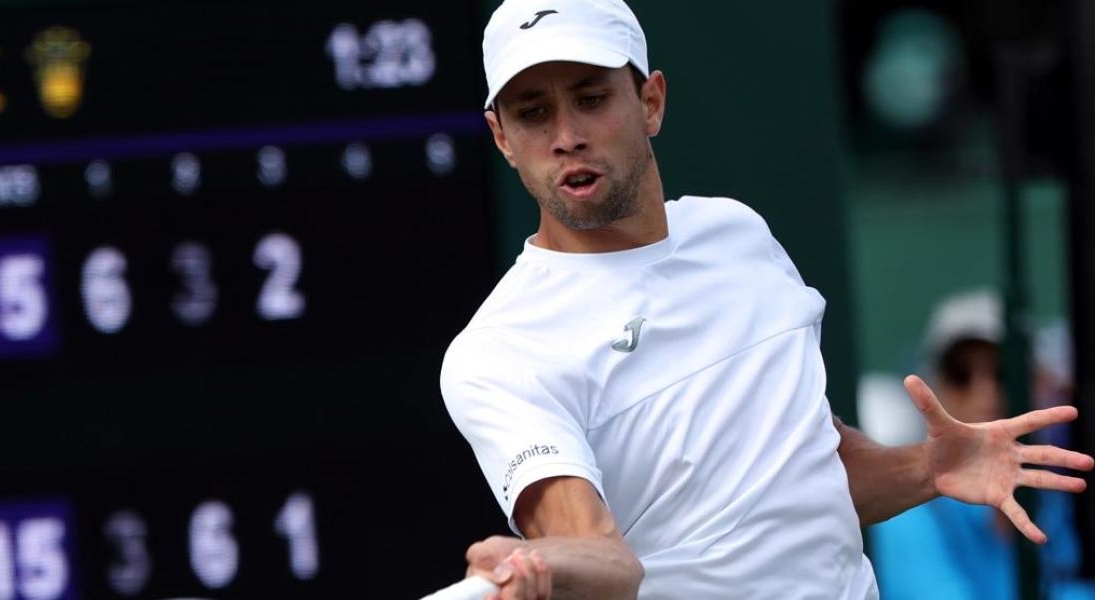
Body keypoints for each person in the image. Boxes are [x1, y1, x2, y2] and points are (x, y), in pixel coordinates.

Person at [438, 1, 1094, 598]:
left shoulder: (737, 234)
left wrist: (928, 467)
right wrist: (544, 563)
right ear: (501, 137)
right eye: (533, 112)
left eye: (590, 98)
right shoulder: (498, 356)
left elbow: (808, 472)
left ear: (651, 101)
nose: (566, 135)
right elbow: (606, 560)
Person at [871, 292, 1095, 600]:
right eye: (960, 375)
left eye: (1004, 373)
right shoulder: (906, 514)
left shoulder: (1051, 500)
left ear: (1038, 384)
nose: (985, 392)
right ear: (933, 386)